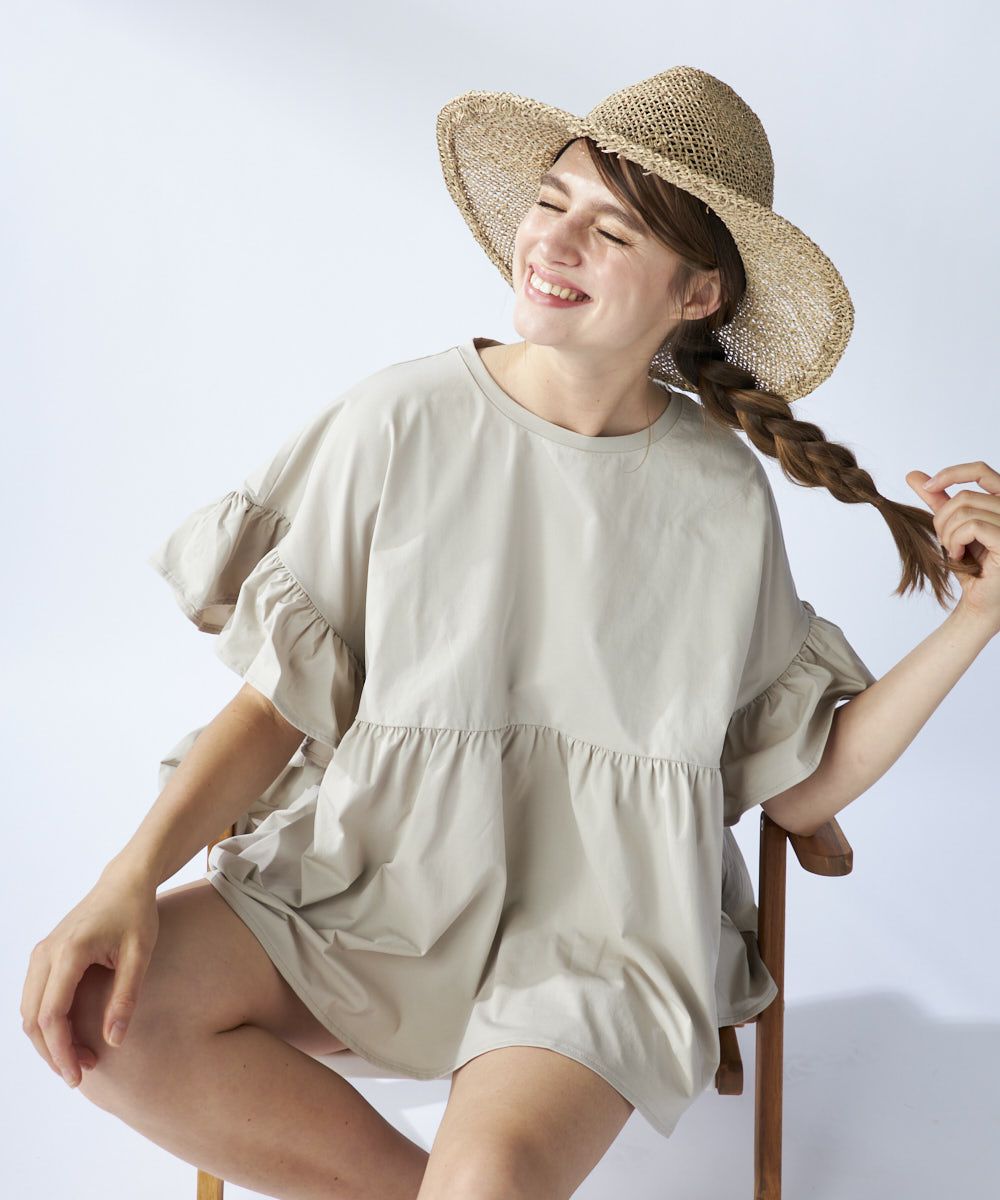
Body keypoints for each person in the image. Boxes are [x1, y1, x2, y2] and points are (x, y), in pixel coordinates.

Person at [21, 66, 1000, 1200]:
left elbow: (798, 790)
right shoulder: (400, 419)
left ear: (695, 293)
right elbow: (272, 707)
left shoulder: (720, 498)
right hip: (370, 889)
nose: (555, 242)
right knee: (95, 1010)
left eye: (612, 231)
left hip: (600, 940)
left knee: (487, 1179)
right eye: (550, 201)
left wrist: (977, 620)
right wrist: (127, 877)